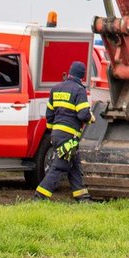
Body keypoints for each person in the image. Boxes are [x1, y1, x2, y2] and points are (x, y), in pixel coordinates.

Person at [35, 61, 93, 203]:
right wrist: (91, 117)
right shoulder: (79, 91)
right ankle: (40, 196)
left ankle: (82, 197)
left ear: (69, 72)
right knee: (59, 166)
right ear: (82, 75)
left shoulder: (56, 89)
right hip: (69, 137)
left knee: (74, 165)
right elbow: (83, 115)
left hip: (56, 134)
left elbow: (49, 115)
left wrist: (52, 132)